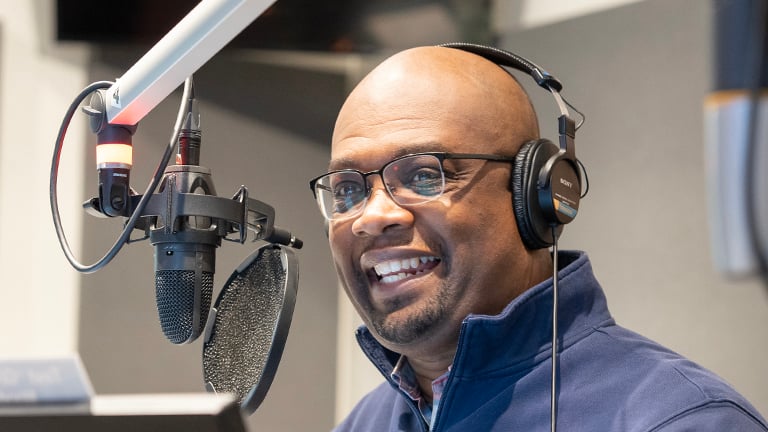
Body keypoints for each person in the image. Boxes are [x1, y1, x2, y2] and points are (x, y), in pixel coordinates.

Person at [309, 45, 768, 431]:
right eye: (348, 189)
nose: (371, 216)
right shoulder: (363, 423)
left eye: (425, 177)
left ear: (535, 196)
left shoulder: (679, 421)